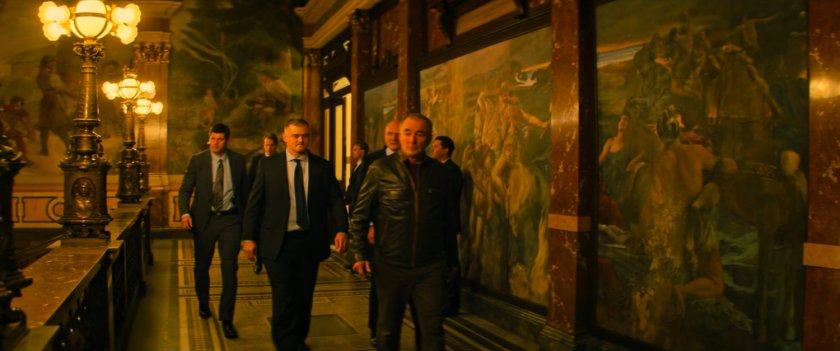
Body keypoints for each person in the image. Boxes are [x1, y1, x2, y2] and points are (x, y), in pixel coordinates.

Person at [350, 113, 459, 351]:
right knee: (387, 331)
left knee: (432, 331)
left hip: (430, 267)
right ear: (400, 136)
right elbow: (359, 215)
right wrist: (358, 255)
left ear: (428, 138)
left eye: (420, 134)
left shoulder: (441, 174)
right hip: (390, 265)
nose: (413, 139)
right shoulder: (381, 169)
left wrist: (452, 260)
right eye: (408, 133)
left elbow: (449, 222)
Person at [243, 118, 349, 351]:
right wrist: (249, 237)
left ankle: (298, 338)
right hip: (277, 243)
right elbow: (254, 204)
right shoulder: (268, 166)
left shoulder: (322, 166)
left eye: (305, 136)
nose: (301, 140)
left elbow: (335, 201)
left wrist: (341, 229)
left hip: (309, 242)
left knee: (303, 295)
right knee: (284, 294)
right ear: (285, 137)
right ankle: (285, 343)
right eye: (296, 136)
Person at [178, 123, 250, 339]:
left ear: (226, 140)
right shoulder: (197, 160)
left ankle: (227, 318)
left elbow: (245, 194)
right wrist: (184, 213)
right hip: (204, 221)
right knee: (202, 266)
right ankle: (203, 301)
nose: (215, 142)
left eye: (220, 139)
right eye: (212, 138)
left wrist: (248, 229)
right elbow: (185, 189)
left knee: (230, 269)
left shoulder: (238, 161)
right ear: (208, 138)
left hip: (230, 220)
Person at [355, 118, 400, 347]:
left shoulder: (412, 160)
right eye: (390, 133)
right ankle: (376, 328)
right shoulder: (373, 160)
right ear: (384, 135)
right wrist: (370, 225)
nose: (393, 137)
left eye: (396, 133)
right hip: (379, 231)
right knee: (379, 285)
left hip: (403, 235)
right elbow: (362, 196)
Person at [429, 135, 463, 317]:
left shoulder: (452, 171)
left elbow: (448, 201)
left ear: (446, 150)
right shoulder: (438, 169)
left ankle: (450, 305)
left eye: (436, 146)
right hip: (439, 225)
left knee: (451, 264)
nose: (432, 149)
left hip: (447, 225)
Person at [248, 133, 279, 274]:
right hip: (260, 201)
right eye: (266, 145)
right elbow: (251, 180)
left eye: (271, 145)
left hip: (274, 202)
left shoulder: (280, 160)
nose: (269, 148)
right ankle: (258, 260)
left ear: (276, 146)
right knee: (259, 232)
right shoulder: (257, 160)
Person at [344, 141, 369, 207]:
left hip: (358, 202)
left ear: (362, 151)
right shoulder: (356, 166)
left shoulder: (365, 167)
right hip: (352, 201)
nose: (352, 152)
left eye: (355, 150)